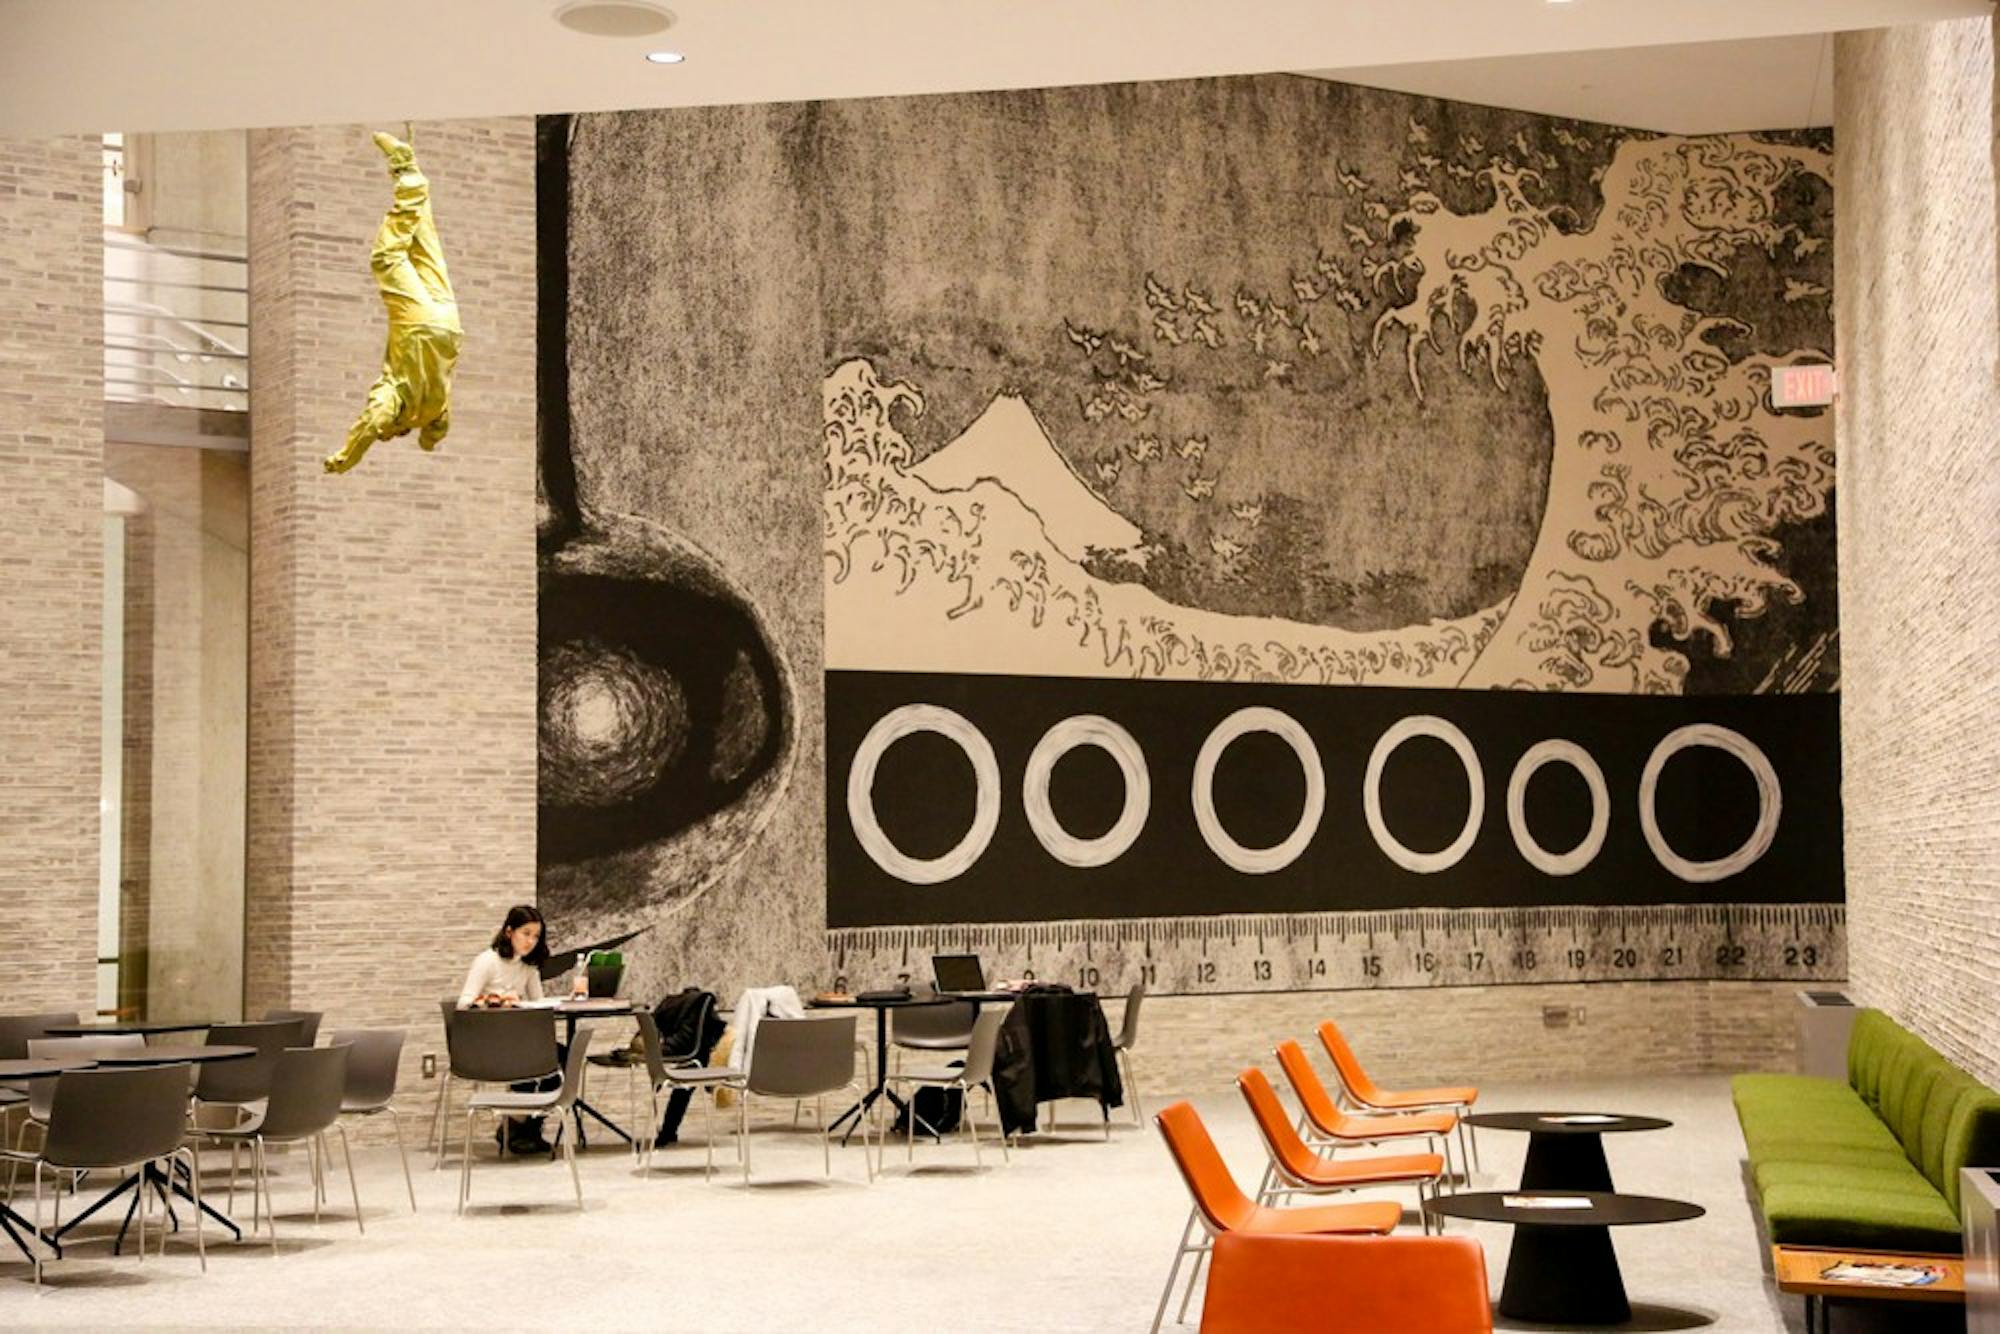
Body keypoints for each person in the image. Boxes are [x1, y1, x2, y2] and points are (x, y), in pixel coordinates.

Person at [324, 129, 463, 474]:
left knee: (424, 245)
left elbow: (441, 425)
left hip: (450, 327)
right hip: (418, 326)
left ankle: (411, 173)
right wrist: (344, 458)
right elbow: (371, 424)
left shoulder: (431, 411)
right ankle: (407, 176)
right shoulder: (394, 402)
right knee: (387, 259)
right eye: (388, 434)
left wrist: (429, 441)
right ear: (395, 428)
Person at [458, 905, 556, 1154]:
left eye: (536, 936)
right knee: (534, 1062)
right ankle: (517, 1128)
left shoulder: (528, 966)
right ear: (509, 932)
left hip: (516, 1040)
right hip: (489, 1042)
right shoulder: (487, 961)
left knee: (558, 1059)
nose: (531, 941)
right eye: (526, 934)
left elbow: (538, 1003)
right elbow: (464, 1004)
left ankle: (523, 1126)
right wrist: (499, 1001)